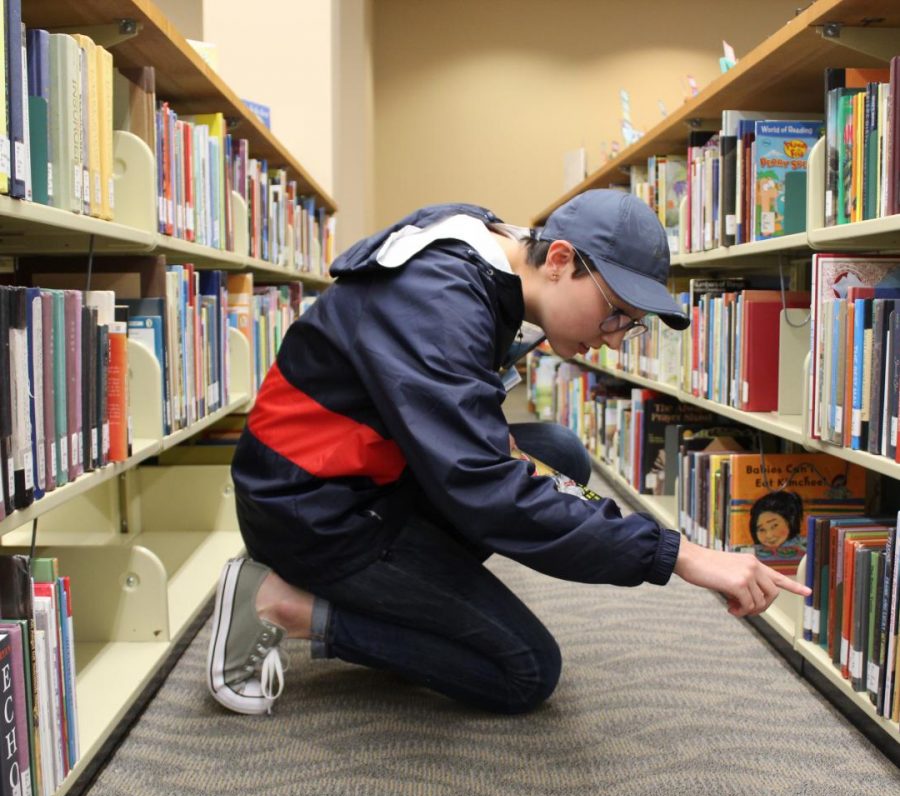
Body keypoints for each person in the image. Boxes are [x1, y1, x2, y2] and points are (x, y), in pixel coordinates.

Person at [207, 189, 811, 716]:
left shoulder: (487, 260)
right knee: (524, 672)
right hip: (312, 514)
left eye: (631, 326)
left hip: (370, 479)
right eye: (615, 314)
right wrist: (676, 554)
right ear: (559, 260)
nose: (615, 339)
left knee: (559, 452)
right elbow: (487, 488)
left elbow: (493, 462)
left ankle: (410, 598)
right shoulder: (436, 301)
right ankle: (282, 603)